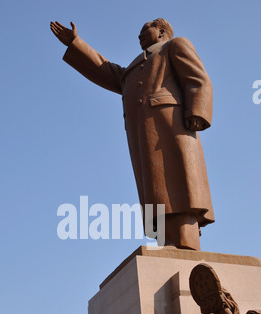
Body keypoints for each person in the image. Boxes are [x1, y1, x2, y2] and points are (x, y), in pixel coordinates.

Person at [49, 18, 214, 250]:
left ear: (162, 31)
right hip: (143, 132)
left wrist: (197, 111)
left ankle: (186, 240)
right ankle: (167, 240)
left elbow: (199, 79)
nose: (139, 36)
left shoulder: (175, 45)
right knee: (155, 189)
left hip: (171, 125)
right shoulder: (135, 68)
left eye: (145, 30)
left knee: (178, 182)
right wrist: (75, 43)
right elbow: (106, 70)